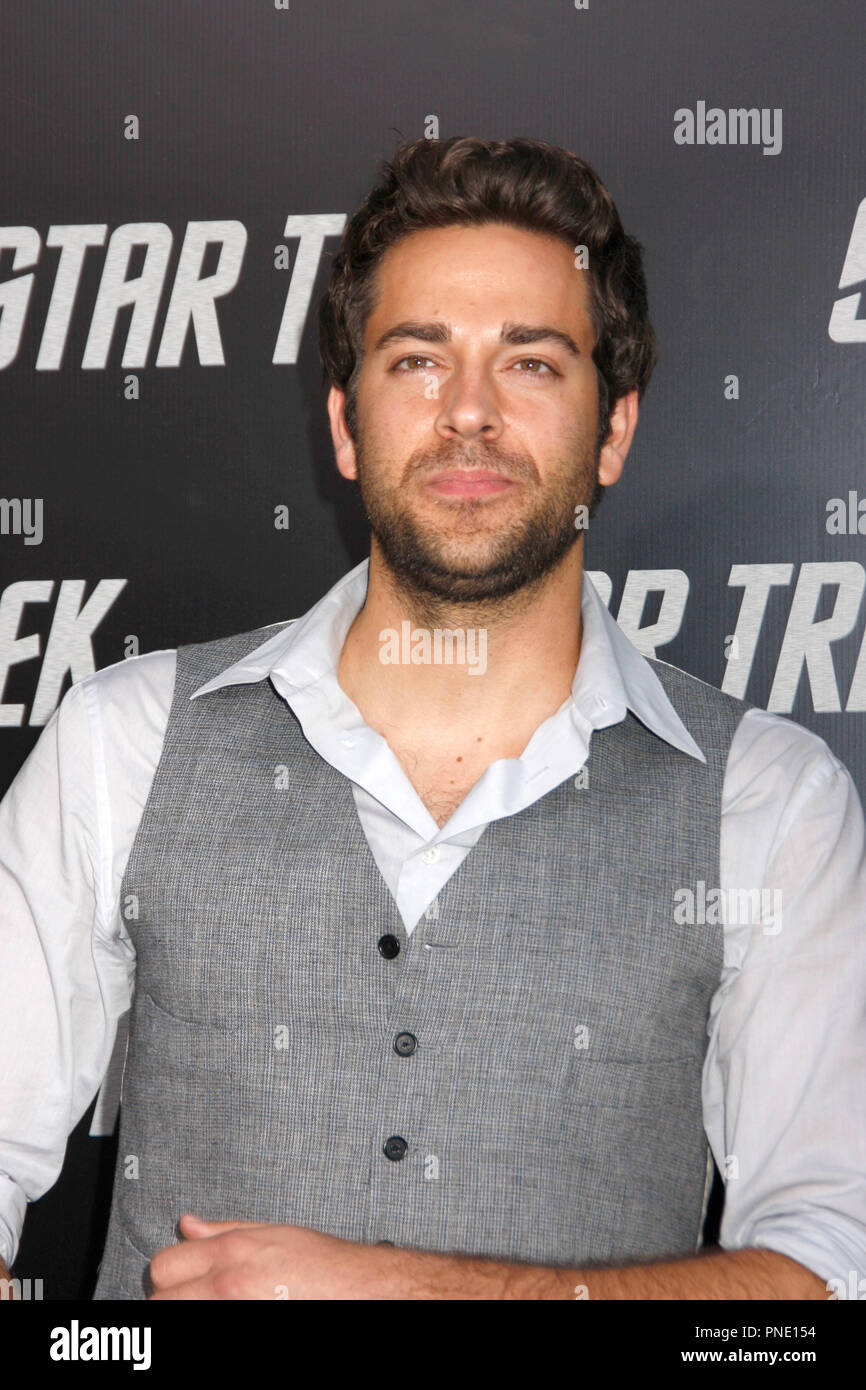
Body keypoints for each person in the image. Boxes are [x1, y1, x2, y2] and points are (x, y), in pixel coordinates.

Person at [1, 136, 864, 1301]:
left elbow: (819, 1280)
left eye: (531, 363)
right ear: (346, 428)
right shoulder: (123, 743)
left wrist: (407, 1291)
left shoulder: (767, 803)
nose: (467, 413)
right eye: (416, 361)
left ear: (611, 430)